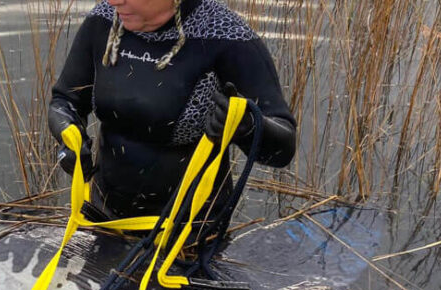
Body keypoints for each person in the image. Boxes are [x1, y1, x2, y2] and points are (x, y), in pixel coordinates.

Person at [47, 0, 297, 221]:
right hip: (103, 216)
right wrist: (68, 137)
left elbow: (282, 151)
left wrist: (248, 126)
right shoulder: (104, 21)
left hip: (192, 228)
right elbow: (64, 100)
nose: (113, 1)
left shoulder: (225, 35)